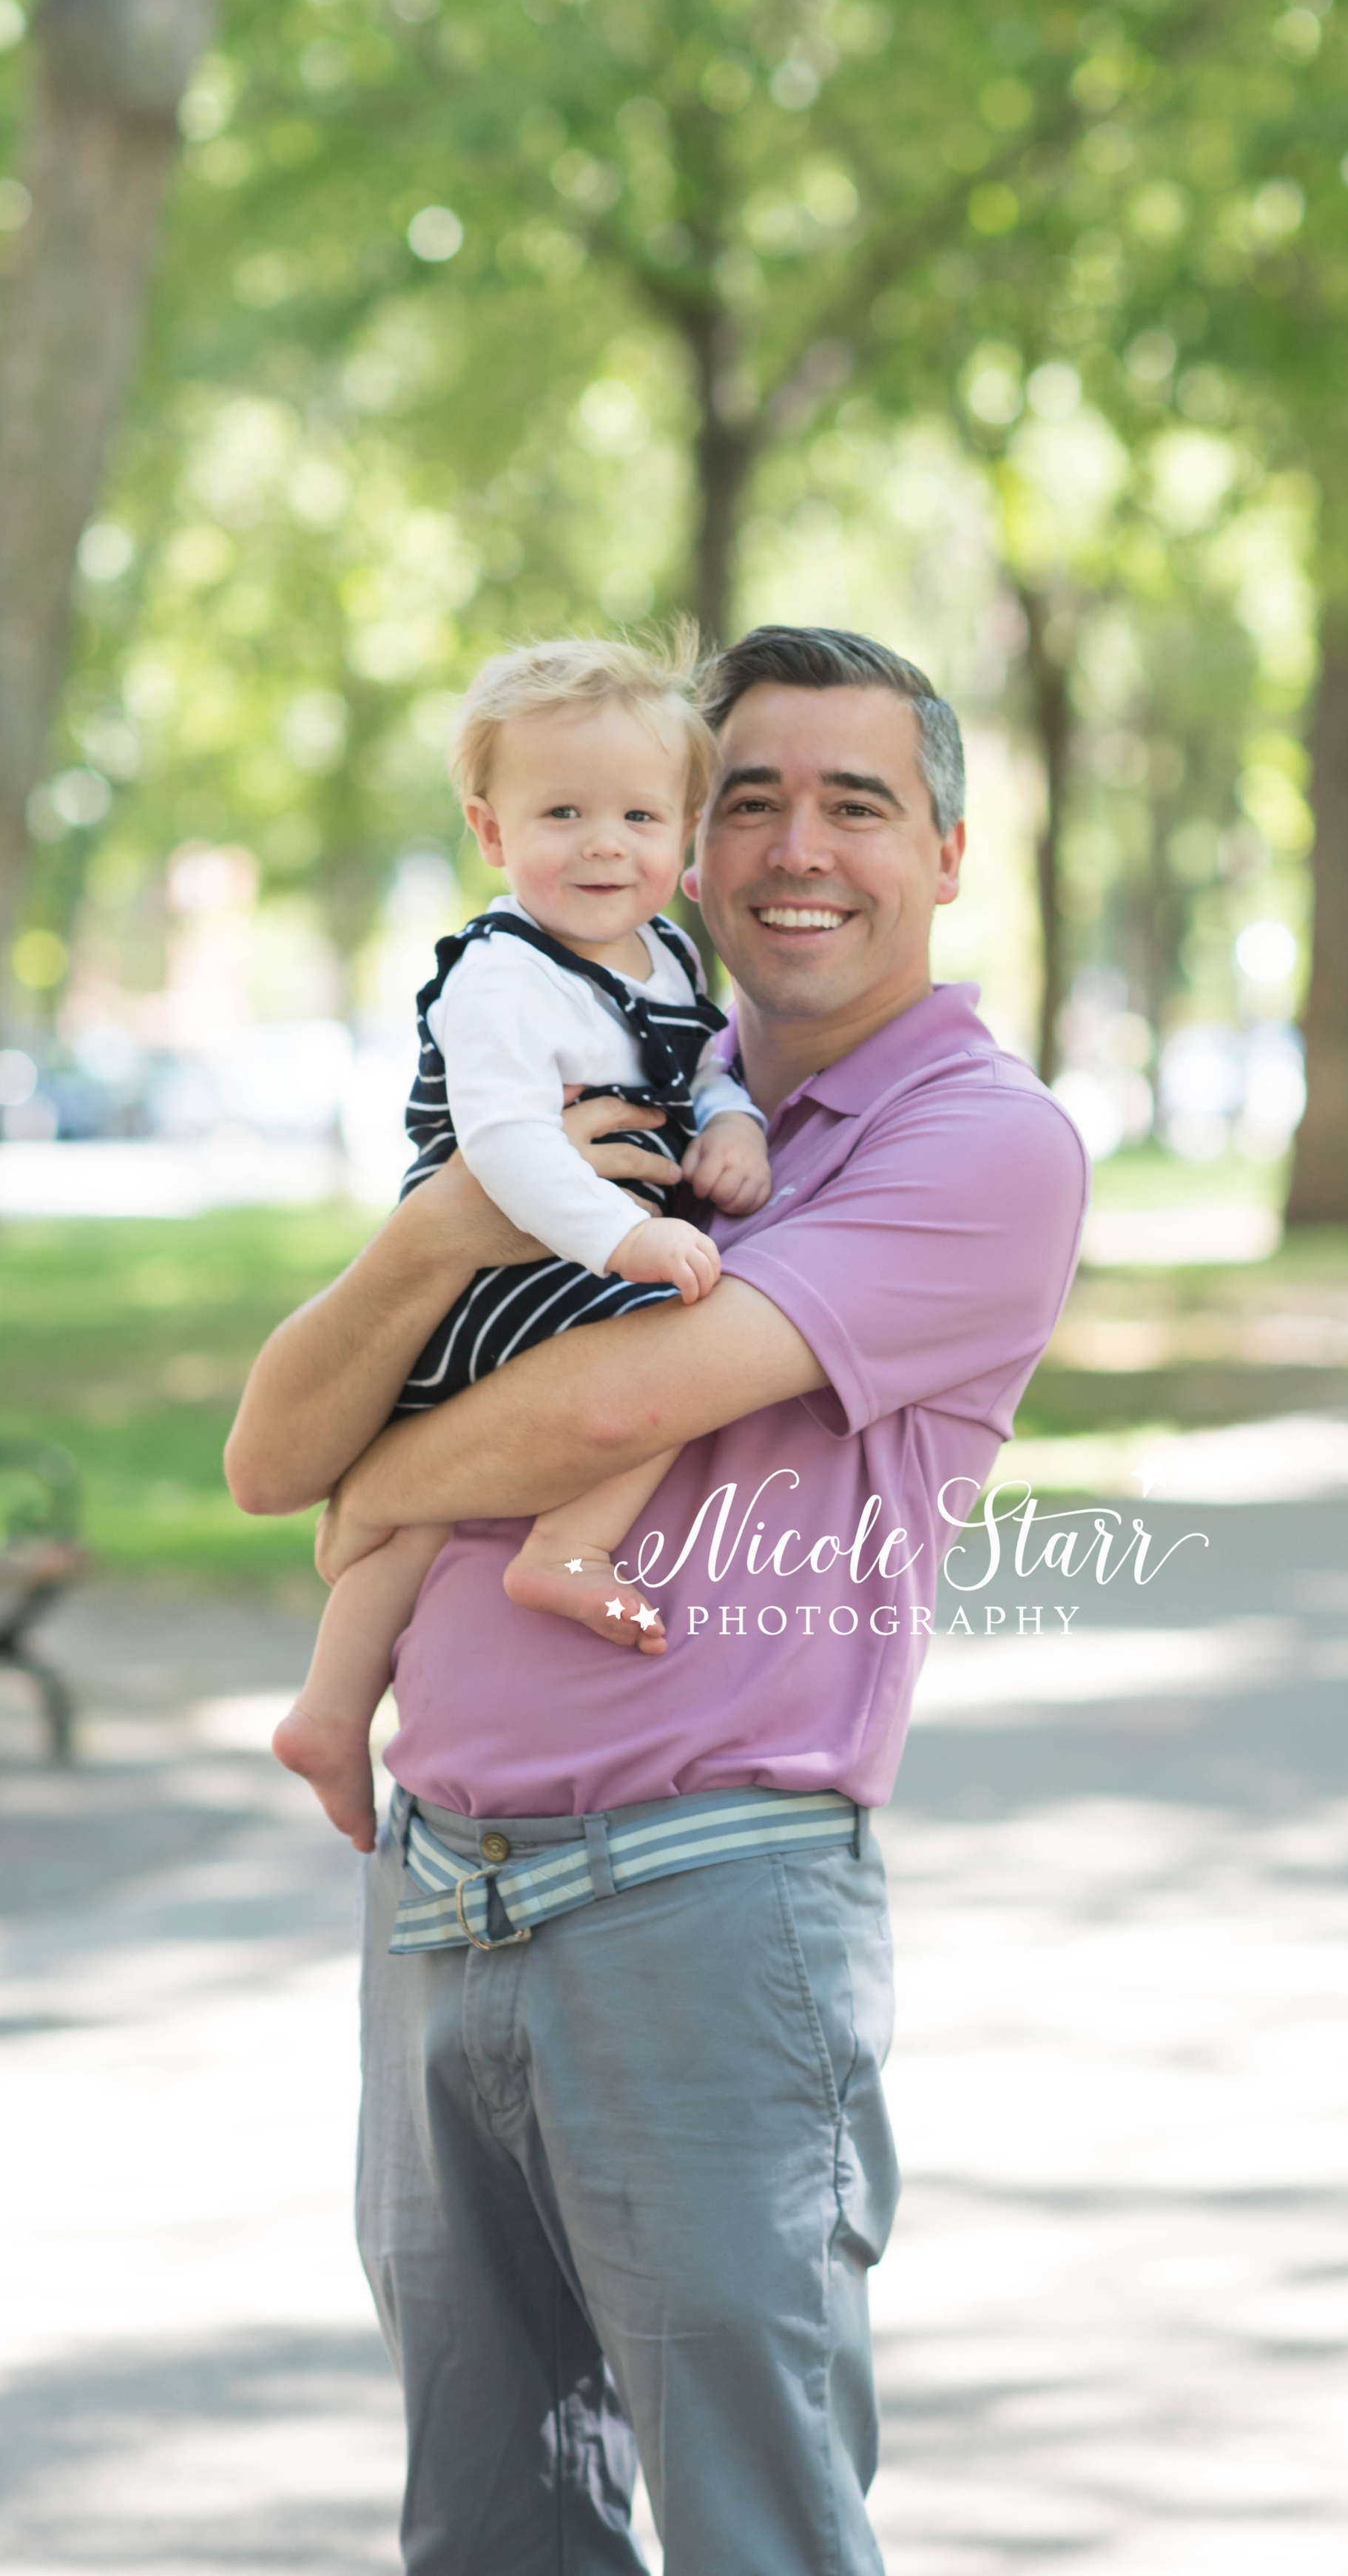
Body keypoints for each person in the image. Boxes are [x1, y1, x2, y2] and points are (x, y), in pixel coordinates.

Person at [227, 624, 1089, 2574]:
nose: (796, 844)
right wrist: (452, 1219)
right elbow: (264, 1451)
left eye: (854, 801)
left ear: (945, 851)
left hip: (704, 1900)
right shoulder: (565, 1073)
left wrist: (383, 1483)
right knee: (490, 2532)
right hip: (442, 1892)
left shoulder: (973, 1143)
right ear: (685, 851)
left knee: (748, 2531)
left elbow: (599, 1401)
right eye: (750, 799)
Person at [271, 637, 772, 1852]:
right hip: (511, 1269)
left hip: (577, 1257)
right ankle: (568, 1545)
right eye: (563, 812)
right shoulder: (501, 973)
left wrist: (736, 1128)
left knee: (435, 1502)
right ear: (491, 832)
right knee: (682, 1358)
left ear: (686, 833)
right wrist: (621, 1242)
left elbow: (701, 1069)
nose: (605, 842)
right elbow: (501, 1139)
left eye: (640, 815)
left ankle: (331, 1709)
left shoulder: (667, 959)